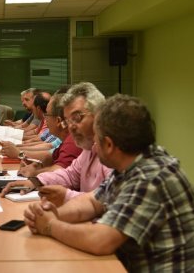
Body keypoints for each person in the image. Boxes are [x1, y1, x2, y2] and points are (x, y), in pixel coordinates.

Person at [24, 94, 194, 271]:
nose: (94, 146)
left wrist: (51, 225)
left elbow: (101, 240)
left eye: (96, 138)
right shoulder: (132, 163)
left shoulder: (150, 178)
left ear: (109, 145)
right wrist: (53, 214)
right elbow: (92, 201)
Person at [1, 82, 112, 207]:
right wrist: (36, 182)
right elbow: (70, 175)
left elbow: (105, 201)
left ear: (98, 114)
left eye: (77, 117)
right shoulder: (88, 147)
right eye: (68, 120)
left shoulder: (112, 152)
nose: (71, 127)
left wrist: (65, 197)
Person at [18, 92, 82, 177]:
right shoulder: (65, 141)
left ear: (58, 121)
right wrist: (36, 164)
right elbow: (50, 157)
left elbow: (60, 171)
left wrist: (35, 172)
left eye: (47, 114)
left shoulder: (72, 141)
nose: (45, 118)